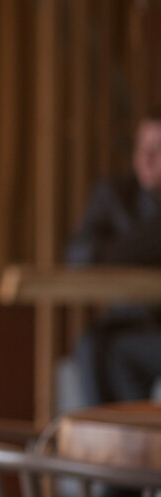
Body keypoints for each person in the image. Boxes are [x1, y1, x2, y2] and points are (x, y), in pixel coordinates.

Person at [65, 111, 161, 406]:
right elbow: (76, 256)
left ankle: (118, 444)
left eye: (157, 150)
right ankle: (109, 443)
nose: (146, 158)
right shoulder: (115, 193)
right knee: (89, 344)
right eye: (141, 147)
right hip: (123, 322)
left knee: (117, 355)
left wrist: (109, 252)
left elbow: (95, 254)